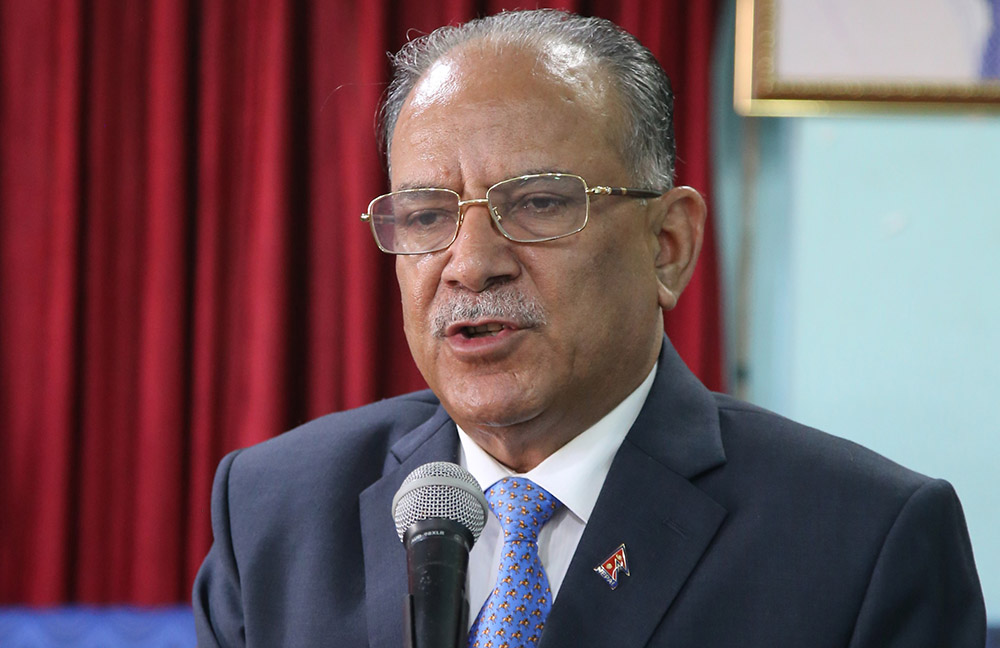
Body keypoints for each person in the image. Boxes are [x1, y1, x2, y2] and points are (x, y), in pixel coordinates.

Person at [192, 9, 985, 647]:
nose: (471, 265)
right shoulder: (274, 512)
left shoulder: (863, 544)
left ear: (667, 245)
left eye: (539, 203)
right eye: (428, 215)